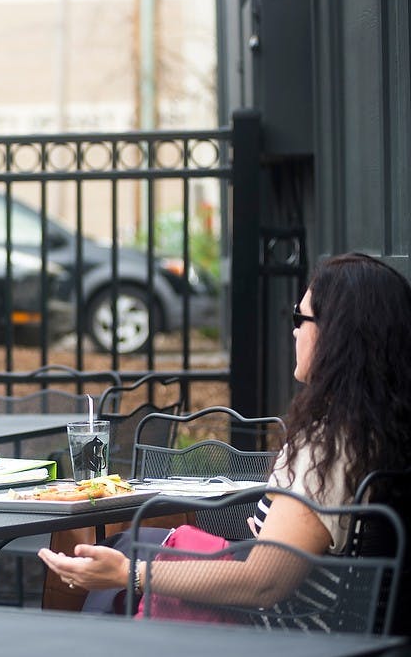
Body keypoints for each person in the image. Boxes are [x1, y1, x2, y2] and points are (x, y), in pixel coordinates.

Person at [39, 252, 411, 615]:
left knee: (127, 555)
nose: (294, 330)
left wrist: (129, 574)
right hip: (343, 627)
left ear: (338, 335)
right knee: (136, 543)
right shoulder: (379, 433)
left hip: (283, 637)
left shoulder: (329, 445)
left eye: (301, 317)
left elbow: (263, 581)